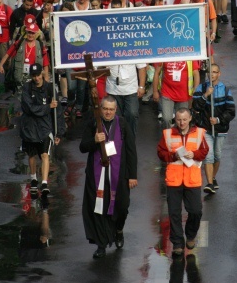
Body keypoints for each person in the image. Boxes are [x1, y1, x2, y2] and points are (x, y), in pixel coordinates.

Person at [80, 96, 138, 259]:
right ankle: (101, 245)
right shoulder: (94, 123)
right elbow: (83, 147)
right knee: (99, 208)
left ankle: (119, 230)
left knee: (122, 206)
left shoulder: (123, 124)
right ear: (101, 108)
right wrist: (94, 141)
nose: (108, 112)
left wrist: (132, 175)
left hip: (119, 174)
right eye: (105, 109)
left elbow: (131, 151)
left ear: (115, 110)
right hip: (97, 174)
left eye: (111, 109)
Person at [157, 108, 209, 256]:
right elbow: (160, 152)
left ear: (190, 118)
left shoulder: (199, 133)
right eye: (179, 119)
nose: (181, 122)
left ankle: (191, 235)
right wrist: (173, 156)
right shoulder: (167, 134)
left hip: (192, 179)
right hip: (174, 179)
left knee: (195, 211)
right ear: (175, 119)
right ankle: (178, 244)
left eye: (184, 119)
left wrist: (194, 154)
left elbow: (204, 150)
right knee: (174, 213)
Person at [19, 63, 65, 196]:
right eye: (34, 76)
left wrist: (59, 132)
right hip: (30, 127)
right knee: (32, 155)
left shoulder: (50, 89)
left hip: (45, 127)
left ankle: (44, 182)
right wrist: (47, 107)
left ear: (42, 74)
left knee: (45, 154)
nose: (36, 78)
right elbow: (29, 108)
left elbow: (58, 112)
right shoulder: (27, 88)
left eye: (38, 75)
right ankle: (34, 178)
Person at [192, 63, 235, 193]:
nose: (212, 74)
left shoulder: (226, 90)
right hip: (205, 128)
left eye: (215, 72)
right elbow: (195, 106)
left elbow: (231, 111)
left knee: (217, 155)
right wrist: (205, 95)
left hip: (221, 128)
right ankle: (210, 183)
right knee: (209, 156)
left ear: (219, 74)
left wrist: (218, 120)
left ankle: (213, 177)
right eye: (210, 72)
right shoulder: (201, 88)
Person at [152, 59, 201, 129]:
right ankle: (167, 137)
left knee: (182, 121)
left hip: (184, 95)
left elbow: (196, 74)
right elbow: (157, 72)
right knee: (166, 118)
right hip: (167, 92)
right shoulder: (164, 53)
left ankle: (178, 137)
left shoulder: (189, 54)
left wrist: (195, 92)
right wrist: (155, 91)